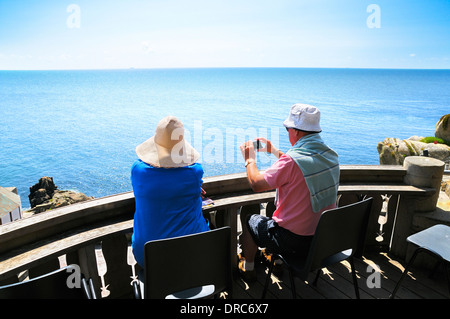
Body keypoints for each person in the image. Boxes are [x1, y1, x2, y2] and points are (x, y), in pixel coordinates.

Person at [239, 103, 340, 281]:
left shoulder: (291, 162)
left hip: (294, 242)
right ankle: (277, 262)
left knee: (250, 221)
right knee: (282, 215)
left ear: (297, 132)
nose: (287, 133)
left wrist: (250, 160)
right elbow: (303, 165)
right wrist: (274, 151)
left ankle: (248, 269)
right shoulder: (330, 156)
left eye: (288, 129)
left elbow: (256, 183)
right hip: (321, 240)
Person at [131, 115, 210, 267]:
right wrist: (190, 189)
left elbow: (156, 185)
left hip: (148, 258)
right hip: (192, 254)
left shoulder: (138, 171)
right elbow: (183, 181)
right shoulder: (194, 173)